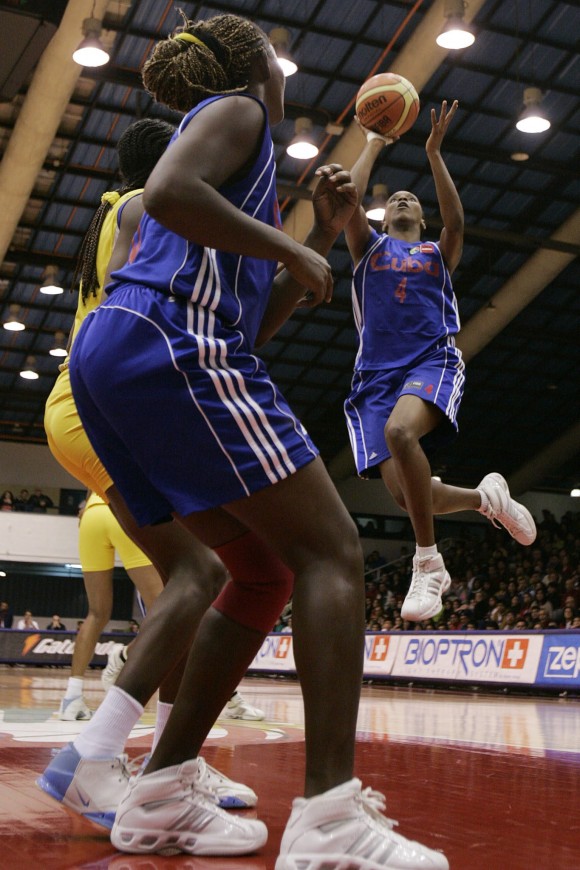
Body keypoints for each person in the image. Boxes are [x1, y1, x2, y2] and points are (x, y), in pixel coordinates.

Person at [57, 12, 448, 867]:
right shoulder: (238, 111)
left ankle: (158, 791)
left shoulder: (247, 174)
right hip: (164, 341)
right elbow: (165, 195)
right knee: (332, 549)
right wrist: (288, 246)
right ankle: (330, 818)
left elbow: (245, 327)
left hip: (130, 358)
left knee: (263, 568)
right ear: (262, 68)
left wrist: (307, 240)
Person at [38, 116, 269, 811]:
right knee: (203, 571)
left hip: (82, 404)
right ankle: (97, 753)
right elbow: (127, 286)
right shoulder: (145, 205)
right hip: (97, 404)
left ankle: (176, 759)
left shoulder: (118, 208)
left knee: (194, 576)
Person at [343, 102, 537, 624]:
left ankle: (428, 563)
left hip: (430, 359)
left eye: (413, 199)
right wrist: (374, 143)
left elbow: (456, 220)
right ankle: (485, 498)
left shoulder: (435, 253)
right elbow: (348, 202)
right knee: (409, 499)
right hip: (374, 380)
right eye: (396, 198)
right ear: (383, 217)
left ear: (422, 218)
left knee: (403, 436)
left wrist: (433, 152)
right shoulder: (368, 249)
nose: (404, 198)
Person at [57, 491, 163, 721]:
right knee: (165, 610)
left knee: (96, 612)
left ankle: (71, 699)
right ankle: (123, 658)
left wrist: (87, 504)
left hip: (93, 512)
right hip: (124, 507)